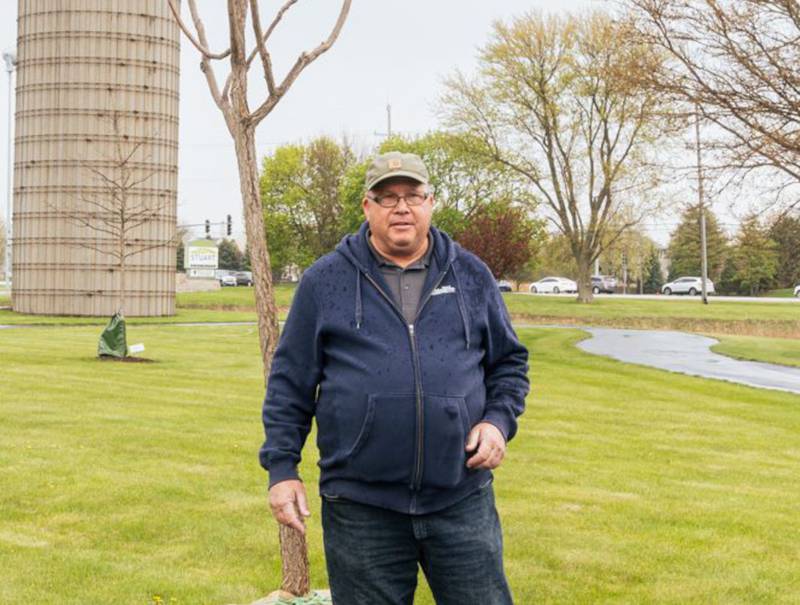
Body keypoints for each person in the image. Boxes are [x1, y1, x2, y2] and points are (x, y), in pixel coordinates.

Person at [260, 151, 529, 604]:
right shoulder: (325, 281)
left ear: (431, 203)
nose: (400, 207)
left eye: (412, 196)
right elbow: (290, 383)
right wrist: (282, 469)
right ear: (367, 207)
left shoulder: (470, 275)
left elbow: (508, 364)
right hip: (361, 508)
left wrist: (498, 421)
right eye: (387, 198)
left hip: (460, 497)